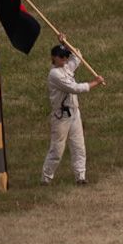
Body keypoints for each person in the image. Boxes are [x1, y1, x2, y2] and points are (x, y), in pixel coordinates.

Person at [41, 33, 105, 185]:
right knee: (57, 149)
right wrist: (95, 82)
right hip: (61, 116)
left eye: (66, 56)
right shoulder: (54, 74)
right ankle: (46, 178)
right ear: (54, 57)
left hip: (74, 112)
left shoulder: (66, 67)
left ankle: (80, 177)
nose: (65, 59)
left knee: (79, 146)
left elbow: (78, 57)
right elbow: (75, 88)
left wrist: (65, 43)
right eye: (61, 57)